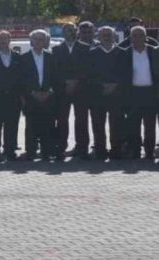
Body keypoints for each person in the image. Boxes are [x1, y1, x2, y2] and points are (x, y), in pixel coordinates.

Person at [52, 22, 91, 160]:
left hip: (81, 89)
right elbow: (55, 70)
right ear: (63, 33)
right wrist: (66, 82)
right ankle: (60, 147)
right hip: (63, 90)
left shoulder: (85, 48)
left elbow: (87, 68)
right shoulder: (56, 49)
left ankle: (82, 148)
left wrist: (75, 81)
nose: (70, 32)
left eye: (72, 30)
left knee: (81, 119)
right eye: (67, 30)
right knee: (62, 120)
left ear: (77, 32)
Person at [19, 29, 57, 161]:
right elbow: (22, 79)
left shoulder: (51, 57)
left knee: (48, 125)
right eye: (36, 39)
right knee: (31, 126)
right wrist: (33, 92)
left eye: (41, 39)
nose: (38, 42)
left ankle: (47, 152)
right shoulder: (23, 58)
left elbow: (56, 77)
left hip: (49, 97)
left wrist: (49, 92)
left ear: (45, 42)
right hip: (31, 97)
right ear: (31, 41)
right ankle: (31, 152)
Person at [121, 26, 158, 160]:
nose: (137, 38)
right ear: (130, 38)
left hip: (151, 93)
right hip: (133, 94)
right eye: (134, 36)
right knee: (133, 125)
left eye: (140, 35)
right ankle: (135, 151)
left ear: (145, 37)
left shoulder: (154, 52)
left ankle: (149, 152)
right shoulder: (125, 53)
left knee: (150, 125)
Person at [88, 26, 123, 161]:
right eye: (104, 35)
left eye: (109, 34)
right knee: (98, 124)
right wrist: (102, 85)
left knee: (116, 124)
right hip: (97, 95)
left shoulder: (122, 52)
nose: (107, 37)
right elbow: (88, 75)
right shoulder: (92, 54)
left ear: (114, 36)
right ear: (98, 37)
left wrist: (115, 85)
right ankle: (100, 151)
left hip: (117, 95)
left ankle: (116, 151)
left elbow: (126, 72)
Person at [0, 31, 21, 162]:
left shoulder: (17, 56)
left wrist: (20, 95)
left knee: (12, 125)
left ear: (9, 39)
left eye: (5, 38)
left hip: (13, 97)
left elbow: (21, 78)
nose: (2, 40)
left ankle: (10, 150)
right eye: (0, 38)